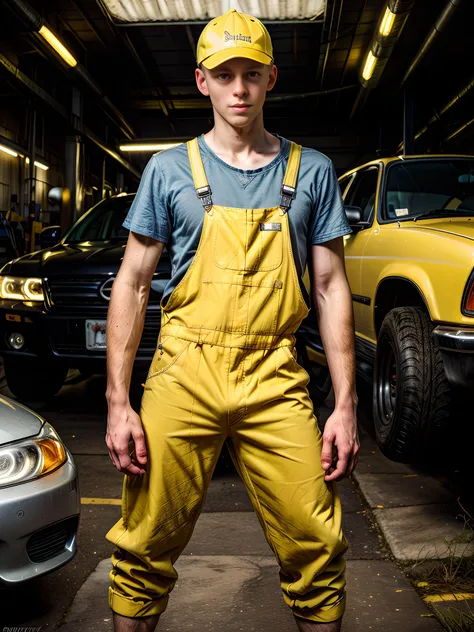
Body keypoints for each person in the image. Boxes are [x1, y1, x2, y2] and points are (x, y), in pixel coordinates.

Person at [105, 9, 359, 632]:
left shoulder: (313, 171)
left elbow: (329, 288)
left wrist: (346, 405)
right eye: (225, 75)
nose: (239, 89)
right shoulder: (168, 171)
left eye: (251, 74)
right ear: (202, 81)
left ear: (272, 78)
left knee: (316, 543)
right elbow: (134, 285)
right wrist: (118, 402)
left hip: (275, 372)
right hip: (183, 370)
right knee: (143, 544)